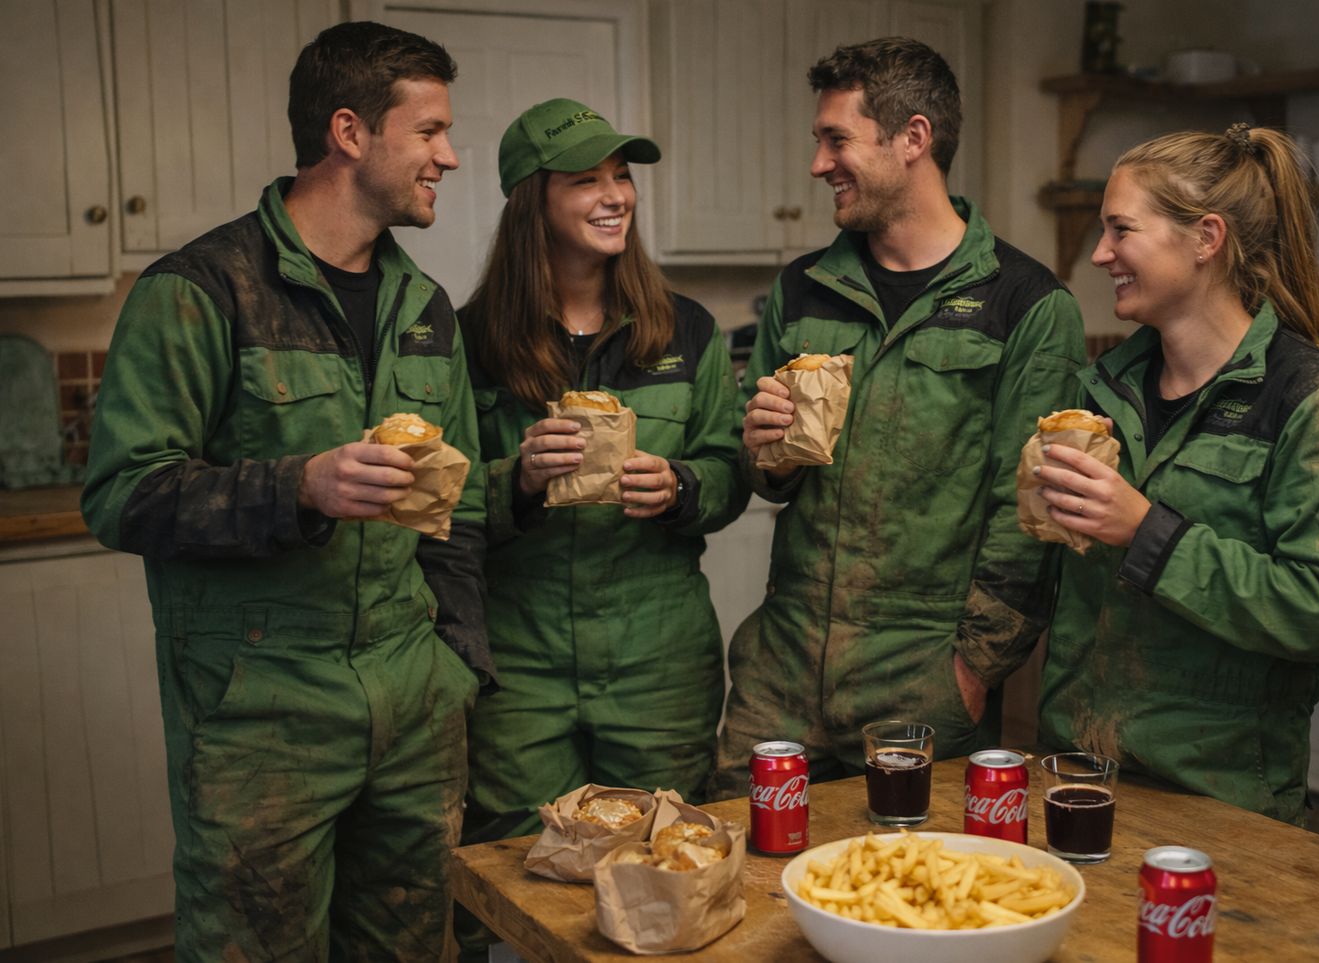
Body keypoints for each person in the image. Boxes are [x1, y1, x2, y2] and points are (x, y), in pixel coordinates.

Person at [81, 22, 491, 960]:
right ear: (349, 133)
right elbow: (122, 496)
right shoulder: (198, 292)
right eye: (428, 132)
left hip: (412, 707)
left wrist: (456, 659)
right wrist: (298, 487)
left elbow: (457, 510)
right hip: (258, 719)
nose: (450, 156)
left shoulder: (423, 310)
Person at [710, 38, 1086, 800]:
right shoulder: (802, 287)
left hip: (919, 679)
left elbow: (1030, 517)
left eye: (835, 140)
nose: (818, 164)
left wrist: (972, 669)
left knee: (906, 892)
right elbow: (770, 480)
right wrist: (766, 452)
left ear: (912, 138)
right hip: (780, 665)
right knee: (735, 868)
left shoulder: (1027, 304)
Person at [1031, 124, 1319, 827]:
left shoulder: (1316, 403)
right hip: (1075, 770)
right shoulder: (1101, 387)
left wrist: (1147, 534)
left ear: (1205, 239)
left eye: (1120, 231)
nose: (1100, 254)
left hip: (1220, 797)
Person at [456, 99, 747, 840]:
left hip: (658, 664)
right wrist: (514, 480)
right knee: (526, 863)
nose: (616, 195)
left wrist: (682, 486)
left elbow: (729, 469)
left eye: (621, 176)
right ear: (533, 202)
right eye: (586, 180)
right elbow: (438, 500)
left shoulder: (686, 329)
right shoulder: (468, 340)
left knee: (665, 856)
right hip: (520, 667)